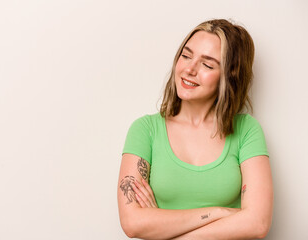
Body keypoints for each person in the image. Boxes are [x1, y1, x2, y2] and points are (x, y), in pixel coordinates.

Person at [117, 19, 273, 239]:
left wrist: (164, 226)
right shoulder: (145, 130)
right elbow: (132, 223)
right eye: (186, 56)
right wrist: (216, 213)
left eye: (207, 64)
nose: (189, 69)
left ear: (230, 74)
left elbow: (257, 223)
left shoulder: (247, 130)